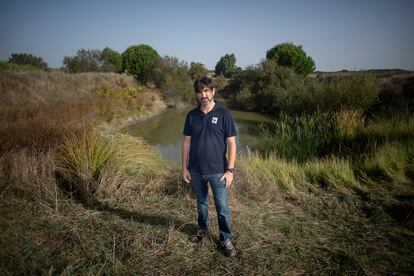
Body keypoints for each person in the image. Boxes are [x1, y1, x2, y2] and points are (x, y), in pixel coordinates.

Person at [181, 76, 237, 257]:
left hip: (218, 172)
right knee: (201, 204)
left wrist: (230, 171)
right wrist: (184, 167)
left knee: (222, 208)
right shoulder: (192, 115)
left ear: (213, 91)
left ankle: (225, 238)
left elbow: (232, 144)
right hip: (196, 170)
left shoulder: (224, 114)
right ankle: (202, 229)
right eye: (199, 91)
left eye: (206, 90)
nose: (203, 94)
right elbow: (186, 143)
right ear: (197, 95)